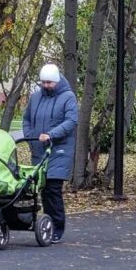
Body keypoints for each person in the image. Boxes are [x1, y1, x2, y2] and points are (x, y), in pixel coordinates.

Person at [22, 63, 77, 244]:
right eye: (43, 82)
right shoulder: (36, 97)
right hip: (39, 150)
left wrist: (52, 135)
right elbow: (27, 119)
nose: (46, 86)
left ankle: (57, 227)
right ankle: (47, 224)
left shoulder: (68, 97)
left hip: (59, 150)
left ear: (57, 81)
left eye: (49, 83)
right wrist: (30, 137)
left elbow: (71, 121)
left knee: (53, 189)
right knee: (43, 190)